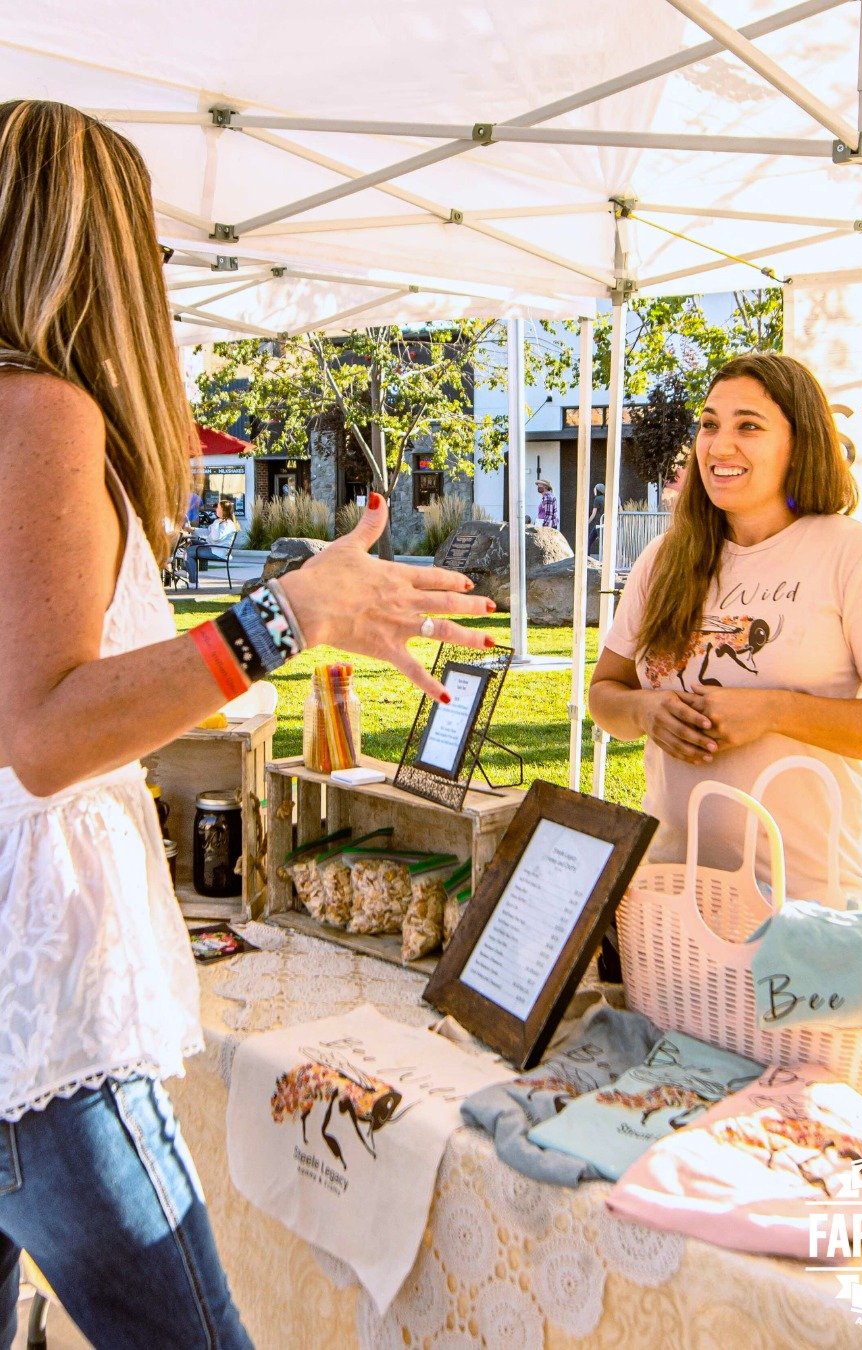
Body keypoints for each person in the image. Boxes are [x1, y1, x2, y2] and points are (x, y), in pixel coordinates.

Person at [0, 100, 495, 1350]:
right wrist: (285, 618)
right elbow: (43, 732)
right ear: (97, 241)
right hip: (42, 1020)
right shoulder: (42, 408)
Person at [589, 351, 862, 909]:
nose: (719, 445)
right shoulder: (664, 558)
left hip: (805, 913)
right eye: (709, 424)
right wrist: (645, 712)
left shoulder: (855, 554)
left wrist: (775, 711)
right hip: (671, 899)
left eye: (748, 426)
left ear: (799, 442)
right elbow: (604, 695)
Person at [186, 496, 240, 584]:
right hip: (212, 547)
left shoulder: (227, 524)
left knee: (188, 552)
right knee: (190, 542)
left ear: (223, 510)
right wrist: (192, 530)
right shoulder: (221, 521)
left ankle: (193, 582)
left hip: (217, 551)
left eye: (218, 507)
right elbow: (208, 532)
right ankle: (189, 572)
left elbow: (215, 537)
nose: (216, 509)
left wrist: (216, 523)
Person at [587, 481, 605, 555]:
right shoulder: (605, 498)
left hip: (598, 524)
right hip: (603, 523)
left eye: (595, 489)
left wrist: (587, 522)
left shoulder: (597, 499)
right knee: (591, 540)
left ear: (598, 490)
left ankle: (586, 557)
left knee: (590, 541)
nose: (594, 490)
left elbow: (593, 514)